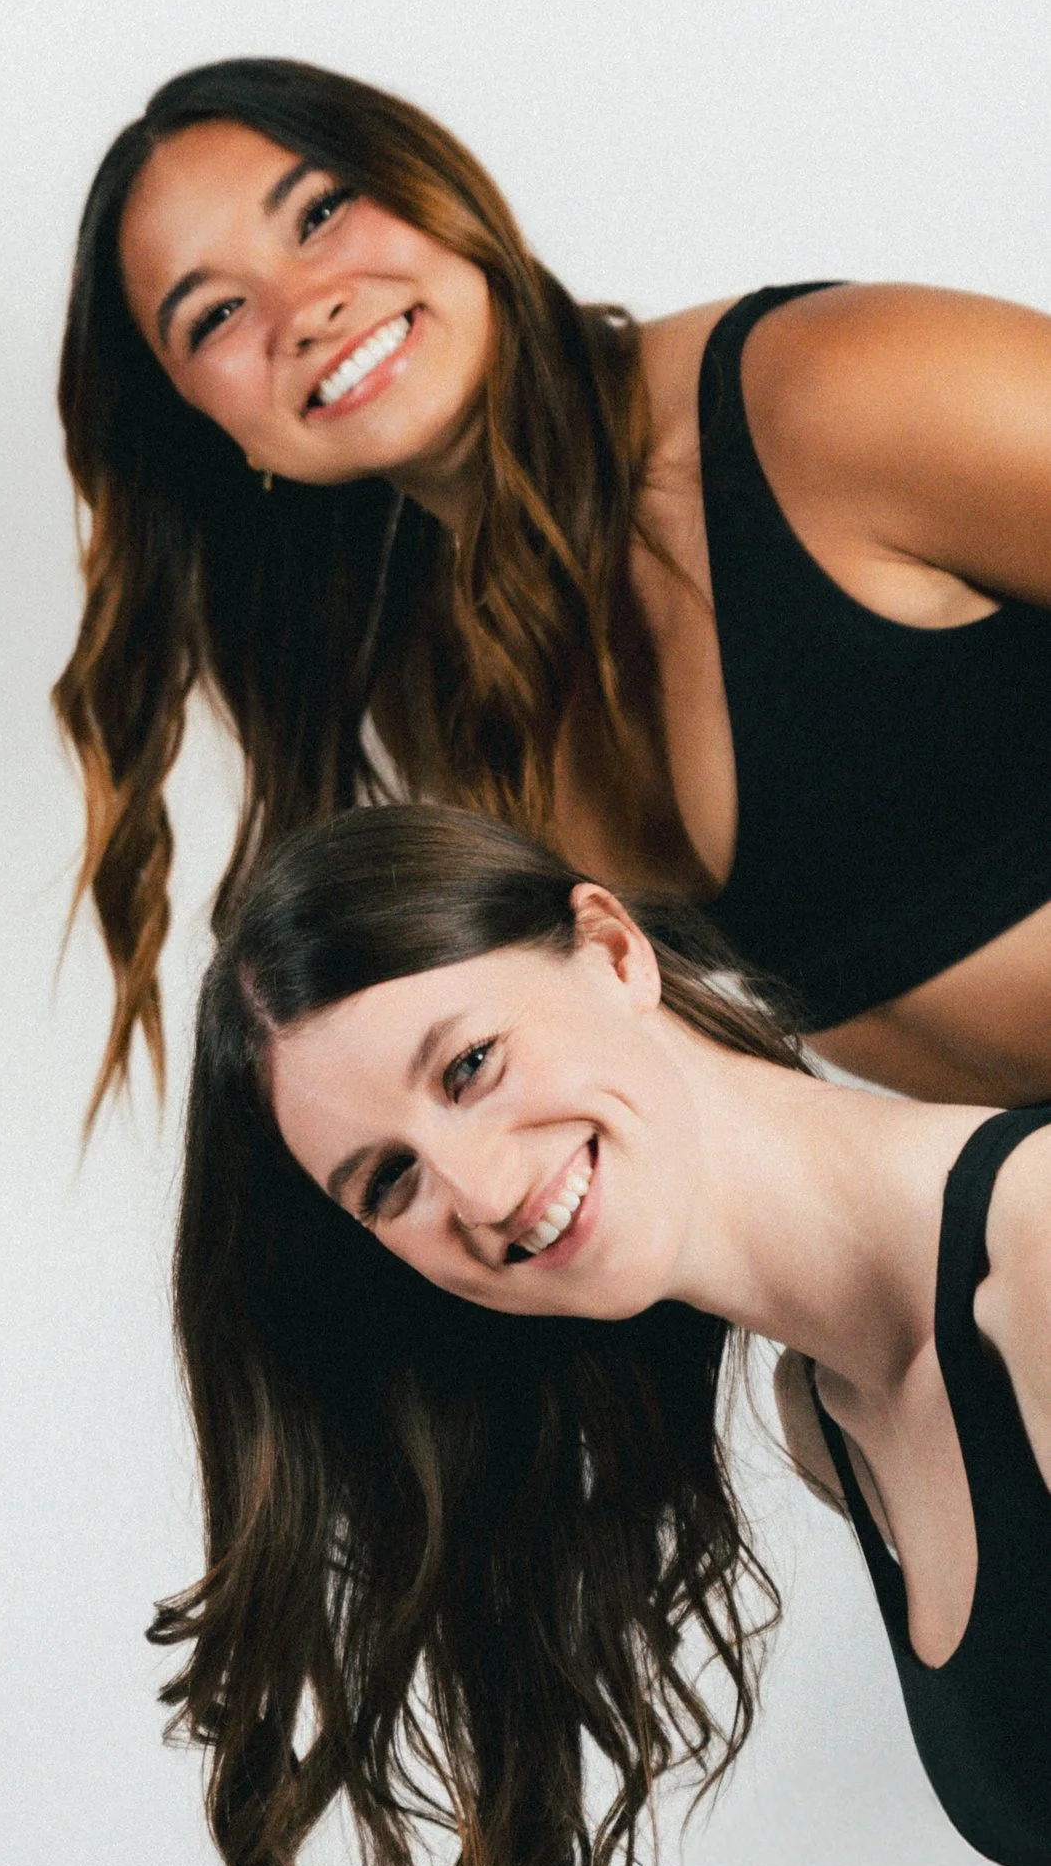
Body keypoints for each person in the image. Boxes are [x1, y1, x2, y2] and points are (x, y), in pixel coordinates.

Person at [165, 800, 1051, 1866]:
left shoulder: (1036, 1257)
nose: (478, 1190)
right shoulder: (834, 1419)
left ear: (615, 950)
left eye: (469, 1065)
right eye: (390, 1182)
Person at [55, 55, 1051, 1117]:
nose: (304, 308)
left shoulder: (826, 389)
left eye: (320, 213)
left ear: (435, 183)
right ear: (212, 430)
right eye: (214, 314)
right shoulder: (443, 681)